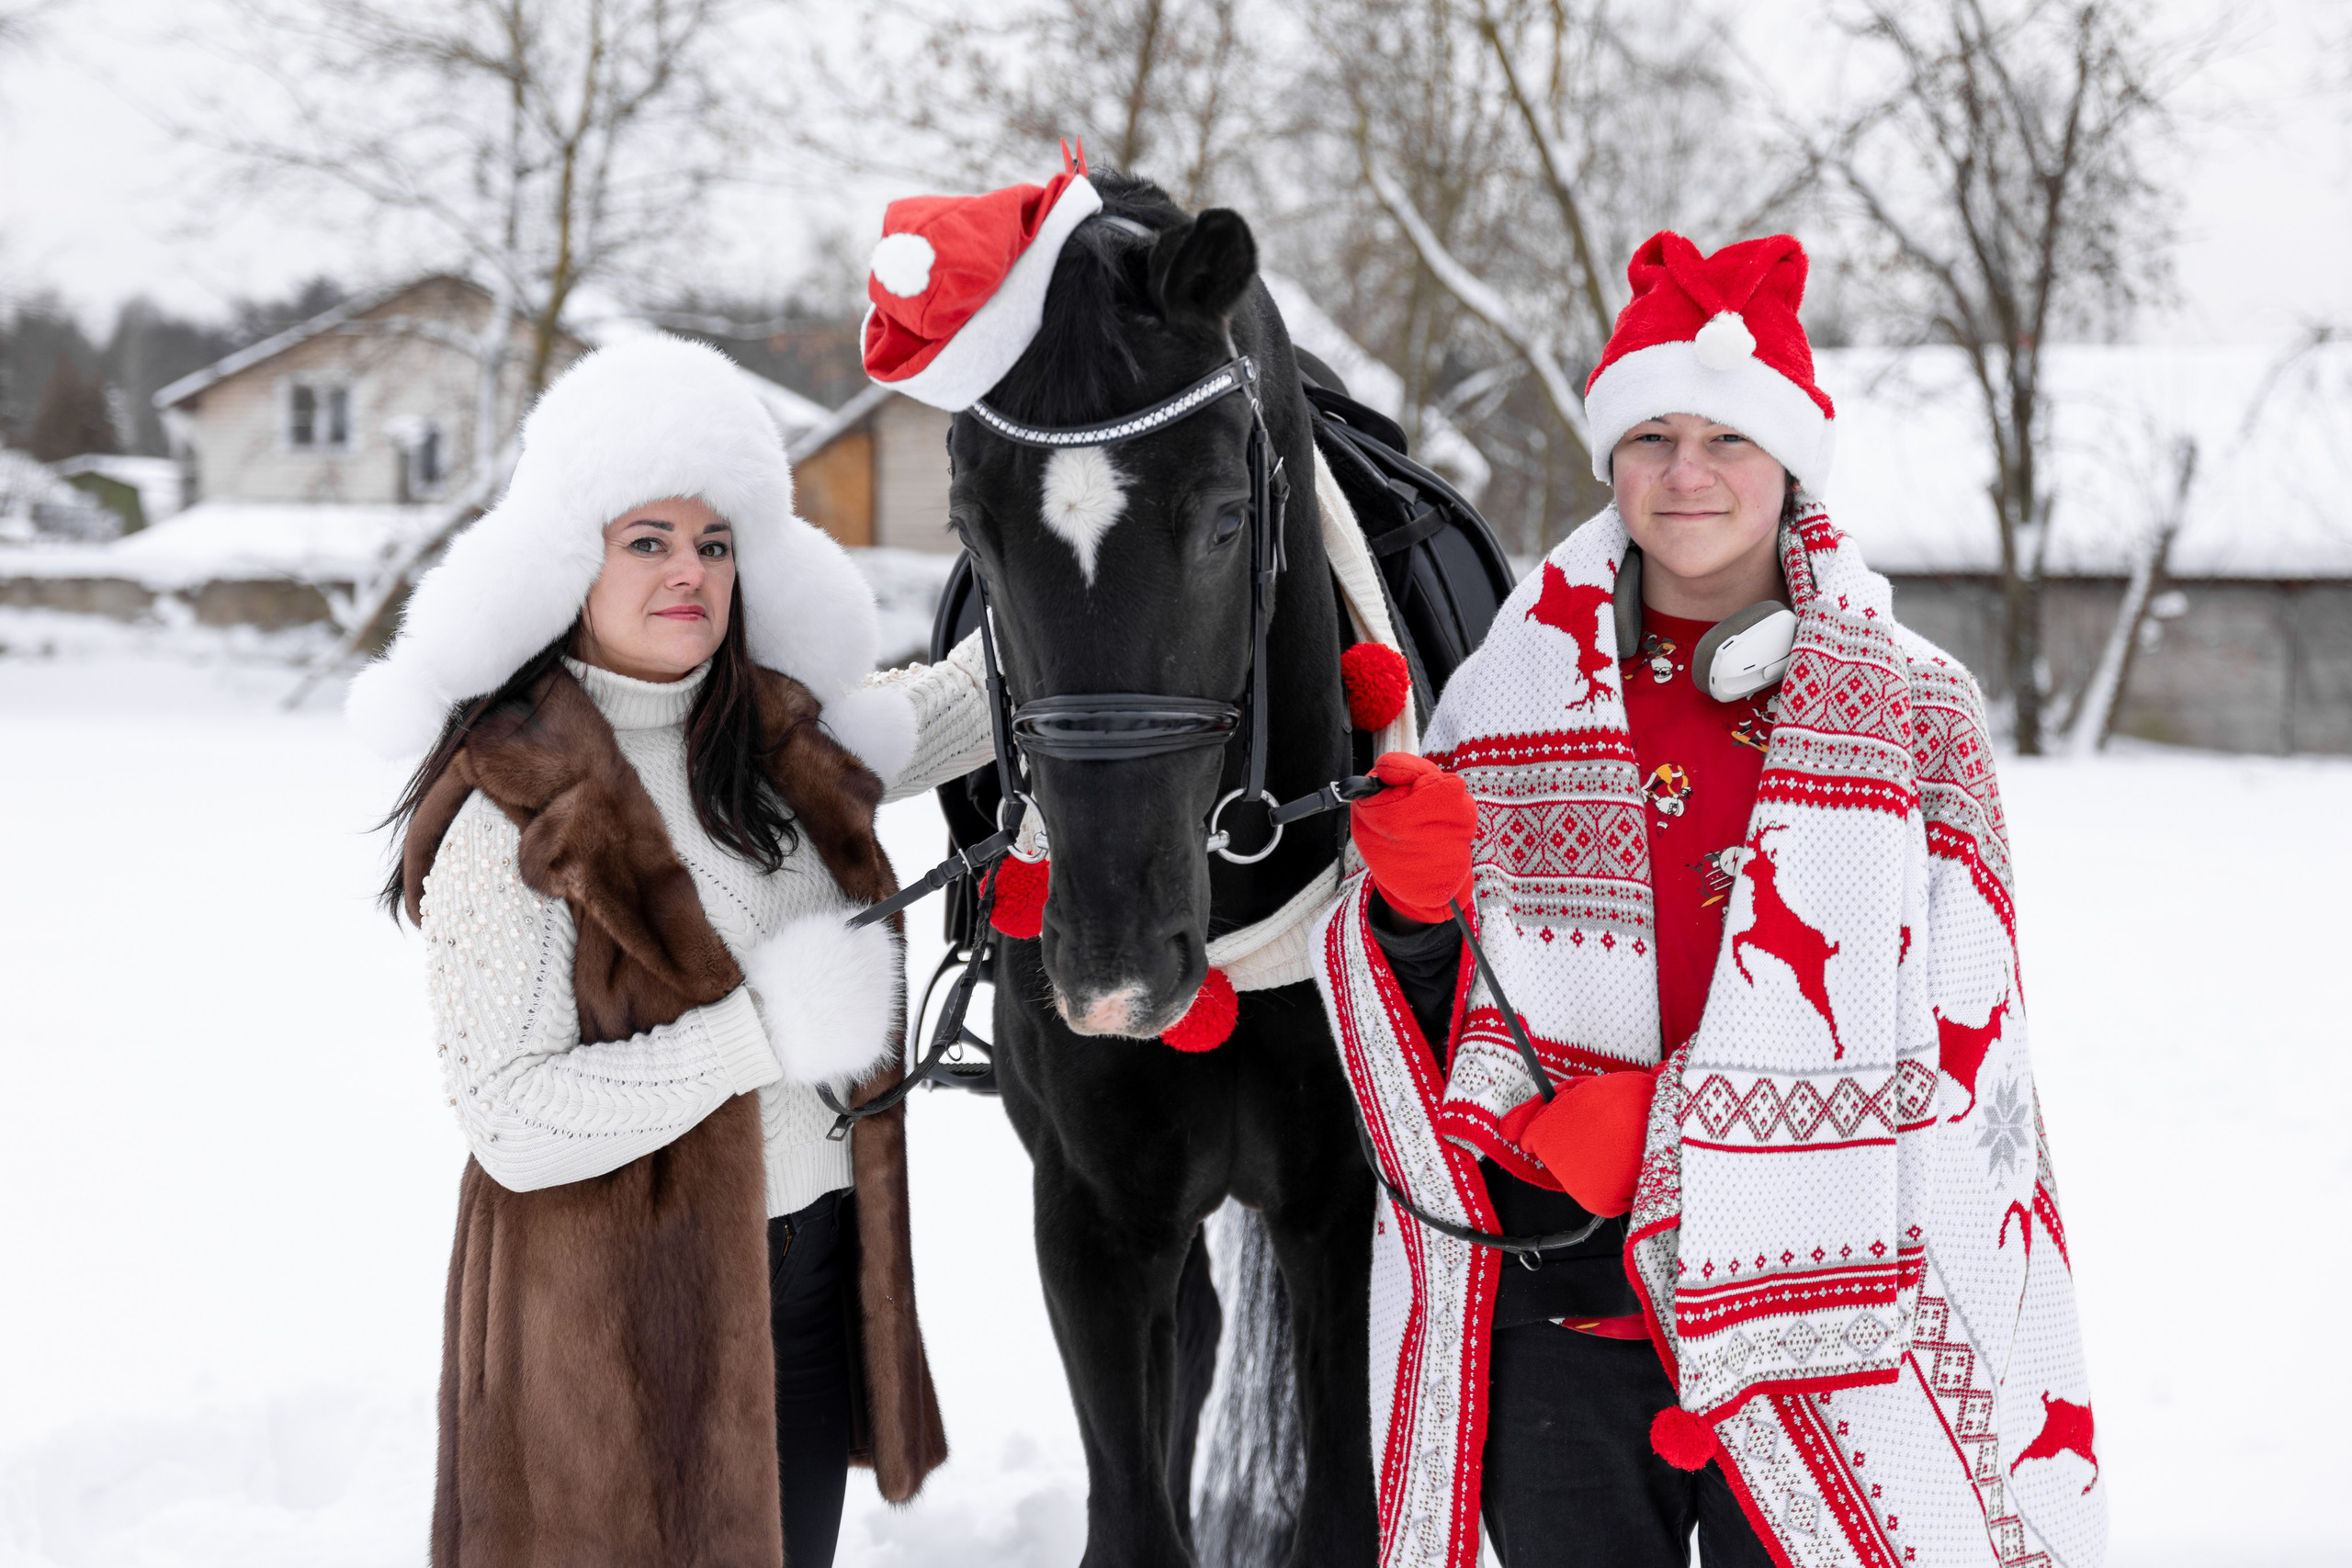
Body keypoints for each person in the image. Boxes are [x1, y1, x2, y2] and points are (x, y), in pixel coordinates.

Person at [1318, 234, 2103, 1566]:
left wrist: (1671, 1132)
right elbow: (1437, 1018)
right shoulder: (1504, 702)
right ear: (1610, 459)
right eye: (1654, 437)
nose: (1687, 475)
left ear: (1790, 463)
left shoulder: (1921, 710)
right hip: (1565, 1313)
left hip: (1836, 1328)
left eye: (1729, 439)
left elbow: (1969, 1061)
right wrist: (1409, 908)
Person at [349, 334, 997, 1567]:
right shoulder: (514, 798)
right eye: (647, 540)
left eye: (715, 542)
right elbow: (513, 1119)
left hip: (802, 1294)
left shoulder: (776, 736)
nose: (688, 572)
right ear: (569, 560)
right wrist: (763, 1033)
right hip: (608, 1329)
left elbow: (969, 703)